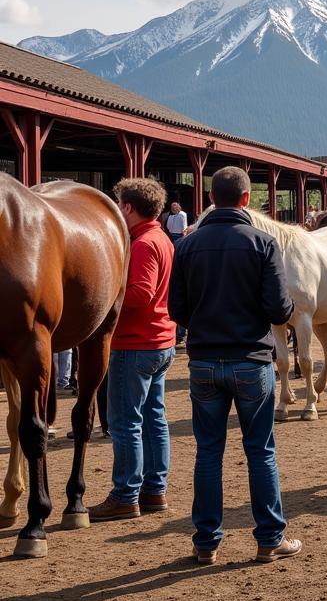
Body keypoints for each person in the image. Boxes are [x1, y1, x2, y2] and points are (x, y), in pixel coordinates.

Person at [168, 166, 301, 565]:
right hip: (251, 360)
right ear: (246, 200)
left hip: (205, 361)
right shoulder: (262, 243)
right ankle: (269, 539)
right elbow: (279, 310)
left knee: (208, 452)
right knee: (260, 451)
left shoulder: (188, 247)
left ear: (211, 198)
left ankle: (205, 542)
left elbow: (176, 309)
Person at [88, 177, 177, 522]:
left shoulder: (142, 245)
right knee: (153, 419)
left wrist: (100, 300)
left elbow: (140, 293)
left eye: (117, 204)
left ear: (127, 207)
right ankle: (154, 490)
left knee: (125, 423)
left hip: (135, 344)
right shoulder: (161, 239)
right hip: (159, 342)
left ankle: (125, 494)